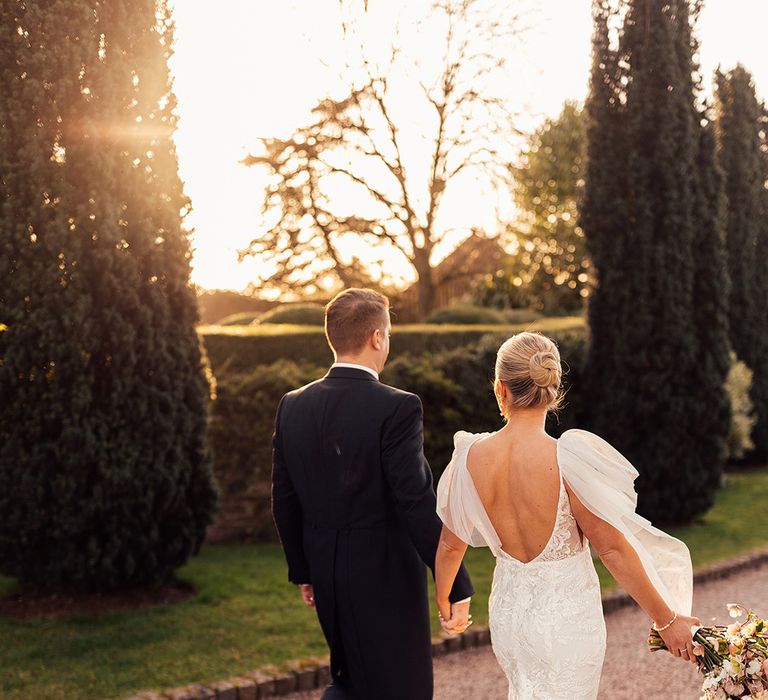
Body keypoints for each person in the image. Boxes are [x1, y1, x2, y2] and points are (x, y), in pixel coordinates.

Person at [434, 331, 699, 700]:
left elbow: (449, 544)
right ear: (553, 391)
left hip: (509, 617)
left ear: (501, 389)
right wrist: (667, 620)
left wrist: (446, 602)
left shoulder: (469, 456)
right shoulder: (567, 459)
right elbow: (613, 550)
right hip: (566, 623)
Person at [272, 288, 474, 700]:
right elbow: (414, 499)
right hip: (385, 579)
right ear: (377, 337)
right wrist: (454, 583)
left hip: (326, 570)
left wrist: (304, 570)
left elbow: (284, 497)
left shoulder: (292, 404)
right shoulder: (397, 407)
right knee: (403, 689)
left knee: (349, 682)